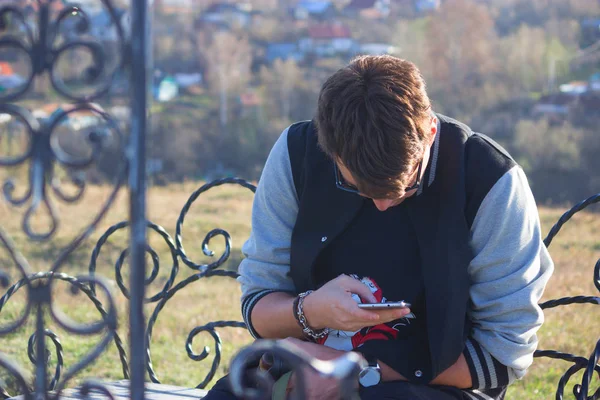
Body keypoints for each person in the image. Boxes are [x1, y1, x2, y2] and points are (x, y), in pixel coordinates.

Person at [204, 55, 554, 400]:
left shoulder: (490, 181)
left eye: (407, 187)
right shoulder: (297, 153)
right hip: (297, 376)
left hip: (433, 388)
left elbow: (502, 356)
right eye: (357, 187)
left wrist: (354, 370)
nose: (383, 205)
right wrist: (310, 310)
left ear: (430, 131)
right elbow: (259, 308)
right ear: (328, 149)